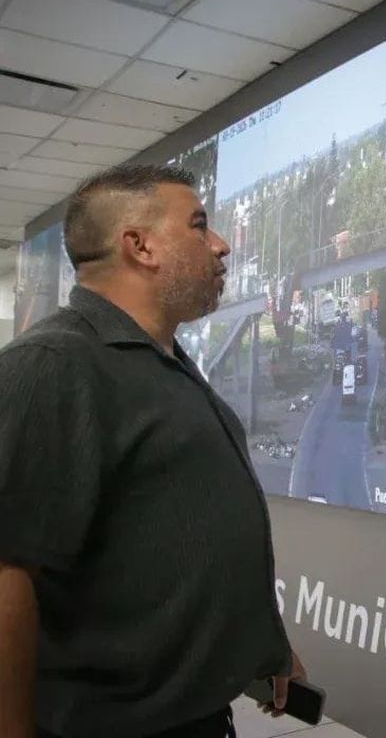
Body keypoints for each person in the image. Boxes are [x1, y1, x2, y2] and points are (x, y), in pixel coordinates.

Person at [0, 165, 305, 738]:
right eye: (199, 225)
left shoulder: (165, 363)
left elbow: (173, 541)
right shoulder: (53, 365)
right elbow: (7, 571)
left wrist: (266, 648)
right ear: (139, 246)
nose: (220, 245)